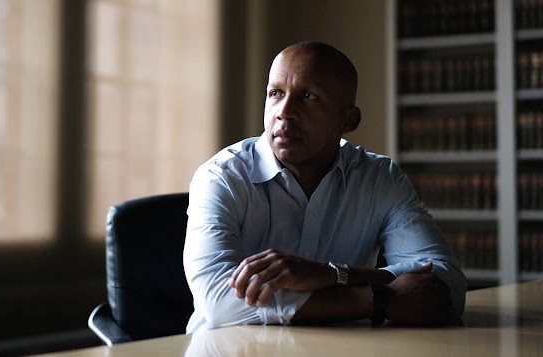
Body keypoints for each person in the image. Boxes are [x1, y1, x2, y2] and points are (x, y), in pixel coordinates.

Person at [183, 40, 466, 333]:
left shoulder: (379, 178)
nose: (284, 111)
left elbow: (447, 285)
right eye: (275, 93)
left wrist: (333, 275)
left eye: (307, 96)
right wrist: (377, 298)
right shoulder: (221, 177)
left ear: (348, 119)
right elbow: (220, 303)